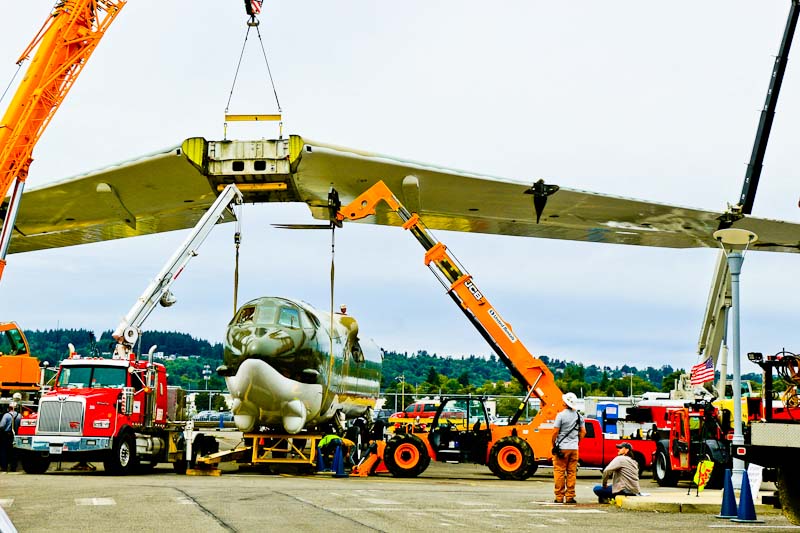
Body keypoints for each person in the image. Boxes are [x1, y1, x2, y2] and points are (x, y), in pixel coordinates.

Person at [552, 392, 586, 504]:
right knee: (572, 472)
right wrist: (577, 441)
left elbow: (555, 431)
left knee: (559, 471)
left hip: (562, 448)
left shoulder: (560, 415)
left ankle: (559, 497)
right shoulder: (579, 416)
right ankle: (570, 496)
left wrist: (554, 444)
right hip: (574, 448)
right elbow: (583, 432)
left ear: (565, 403)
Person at [0, 402, 21, 472]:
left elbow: (2, 426)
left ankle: (4, 467)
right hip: (16, 435)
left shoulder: (6, 415)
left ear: (9, 408)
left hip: (7, 435)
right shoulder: (19, 416)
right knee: (14, 452)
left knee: (4, 451)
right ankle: (13, 467)